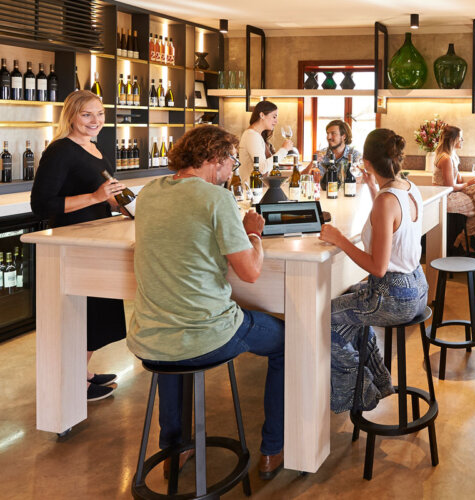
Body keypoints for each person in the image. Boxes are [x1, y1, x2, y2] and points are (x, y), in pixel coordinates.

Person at [127, 125, 286, 481]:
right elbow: (250, 273)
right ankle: (273, 449)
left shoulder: (149, 193)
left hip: (149, 335)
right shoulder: (217, 199)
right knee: (288, 343)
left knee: (173, 341)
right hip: (208, 332)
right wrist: (254, 232)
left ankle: (175, 447)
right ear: (214, 160)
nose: (232, 168)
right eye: (231, 160)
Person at [319, 128, 428, 413]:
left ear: (365, 162)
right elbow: (392, 216)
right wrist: (371, 186)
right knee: (349, 303)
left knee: (321, 318)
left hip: (392, 296)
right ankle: (379, 377)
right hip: (417, 287)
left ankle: (362, 387)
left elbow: (377, 268)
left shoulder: (384, 201)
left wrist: (339, 240)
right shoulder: (407, 188)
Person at [31, 90, 127, 402]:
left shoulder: (95, 148)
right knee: (84, 314)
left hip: (97, 239)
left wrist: (121, 204)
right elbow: (43, 205)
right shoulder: (60, 151)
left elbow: (103, 193)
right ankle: (73, 382)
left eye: (99, 114)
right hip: (74, 242)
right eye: (87, 114)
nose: (95, 121)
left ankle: (81, 372)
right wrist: (98, 197)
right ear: (71, 116)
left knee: (98, 312)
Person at [432, 125, 475, 242]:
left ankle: (470, 234)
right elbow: (450, 187)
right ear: (453, 139)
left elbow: (456, 180)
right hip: (445, 198)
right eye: (461, 138)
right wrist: (468, 184)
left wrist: (463, 180)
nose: (462, 140)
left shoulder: (452, 156)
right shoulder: (446, 158)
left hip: (450, 194)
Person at [238, 100, 293, 183]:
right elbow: (262, 168)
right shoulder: (251, 135)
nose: (276, 121)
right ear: (262, 115)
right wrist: (284, 150)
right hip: (250, 191)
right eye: (274, 117)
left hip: (255, 188)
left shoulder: (256, 135)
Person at [302, 119, 361, 188]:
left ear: (344, 136)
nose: (328, 137)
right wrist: (312, 163)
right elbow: (301, 179)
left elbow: (359, 181)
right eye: (327, 133)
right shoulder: (321, 154)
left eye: (333, 133)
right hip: (324, 196)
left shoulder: (355, 155)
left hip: (347, 196)